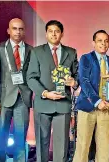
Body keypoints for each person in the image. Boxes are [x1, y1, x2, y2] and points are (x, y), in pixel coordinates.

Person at [26, 20, 78, 162]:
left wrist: (74, 83)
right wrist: (45, 93)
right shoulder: (37, 52)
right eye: (51, 31)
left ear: (62, 33)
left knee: (62, 146)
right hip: (43, 103)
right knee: (42, 145)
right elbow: (30, 77)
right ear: (46, 33)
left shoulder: (71, 52)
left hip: (63, 104)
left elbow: (77, 75)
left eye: (57, 31)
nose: (54, 34)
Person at [73, 30, 109, 162]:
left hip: (106, 109)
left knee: (104, 147)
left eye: (106, 41)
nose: (103, 44)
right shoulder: (86, 58)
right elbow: (84, 81)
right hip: (87, 107)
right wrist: (97, 100)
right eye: (100, 41)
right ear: (93, 43)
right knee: (82, 145)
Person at [0, 18, 33, 162]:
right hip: (3, 99)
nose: (18, 31)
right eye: (14, 28)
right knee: (1, 138)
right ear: (8, 31)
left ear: (24, 31)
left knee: (20, 138)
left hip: (23, 98)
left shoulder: (31, 50)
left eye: (21, 29)